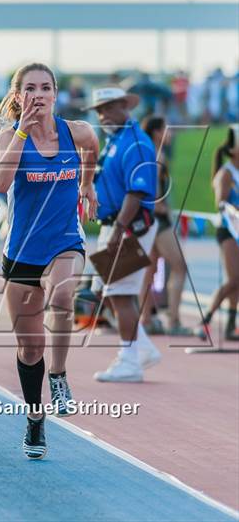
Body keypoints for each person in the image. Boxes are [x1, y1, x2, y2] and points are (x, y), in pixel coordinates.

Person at [0, 63, 98, 459]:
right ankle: (35, 420)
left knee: (64, 294)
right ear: (18, 96)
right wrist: (21, 131)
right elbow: (0, 184)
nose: (39, 94)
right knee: (29, 347)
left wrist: (87, 184)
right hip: (21, 254)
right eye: (30, 88)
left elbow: (93, 148)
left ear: (56, 94)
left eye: (46, 87)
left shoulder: (77, 132)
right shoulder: (10, 136)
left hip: (64, 241)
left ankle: (59, 376)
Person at [87, 87, 161, 382]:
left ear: (123, 106)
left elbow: (137, 189)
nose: (102, 114)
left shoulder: (135, 143)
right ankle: (141, 347)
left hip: (129, 225)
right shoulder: (115, 140)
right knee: (100, 289)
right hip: (113, 225)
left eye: (107, 107)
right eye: (98, 110)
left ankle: (129, 360)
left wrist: (119, 227)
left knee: (120, 294)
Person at [139, 116, 192, 336]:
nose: (170, 134)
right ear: (158, 132)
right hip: (158, 221)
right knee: (179, 267)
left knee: (149, 270)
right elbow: (156, 199)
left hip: (146, 220)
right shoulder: (158, 156)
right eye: (167, 130)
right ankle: (174, 321)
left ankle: (146, 320)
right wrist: (165, 211)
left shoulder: (146, 154)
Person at [196, 125, 239, 341]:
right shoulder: (226, 173)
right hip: (229, 231)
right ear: (232, 149)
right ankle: (205, 320)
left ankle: (231, 325)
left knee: (238, 281)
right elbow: (221, 203)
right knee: (233, 280)